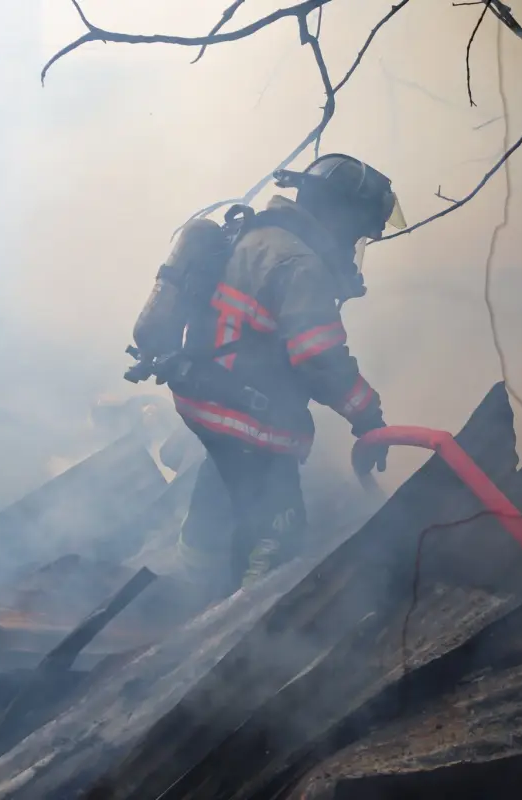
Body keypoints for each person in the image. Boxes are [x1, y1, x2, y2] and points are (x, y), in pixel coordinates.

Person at [140, 153, 405, 602]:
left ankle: (195, 591)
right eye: (359, 230)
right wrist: (368, 417)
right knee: (279, 535)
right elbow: (320, 359)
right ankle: (244, 630)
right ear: (339, 216)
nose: (355, 243)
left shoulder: (254, 236)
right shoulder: (301, 264)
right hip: (246, 417)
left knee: (222, 487)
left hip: (204, 399)